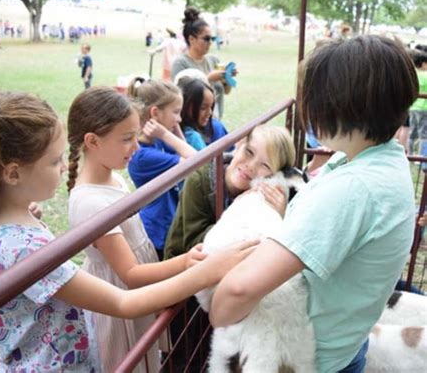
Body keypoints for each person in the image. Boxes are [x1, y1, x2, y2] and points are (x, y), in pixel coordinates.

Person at [0, 91, 257, 372]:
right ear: (13, 173)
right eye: (55, 161)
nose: (63, 167)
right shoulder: (23, 248)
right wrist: (208, 271)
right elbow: (123, 303)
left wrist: (27, 210)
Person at [209, 35, 418, 373]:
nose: (309, 109)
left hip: (311, 358)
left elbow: (238, 289)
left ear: (344, 105)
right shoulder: (381, 160)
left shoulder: (355, 188)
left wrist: (218, 312)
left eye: (316, 99)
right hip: (348, 341)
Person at [67, 86, 208, 372]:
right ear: (93, 141)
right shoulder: (90, 202)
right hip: (120, 307)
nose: (135, 147)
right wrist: (185, 262)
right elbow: (130, 274)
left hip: (137, 298)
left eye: (136, 136)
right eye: (127, 139)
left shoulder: (113, 179)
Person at [164, 124, 296, 370]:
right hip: (186, 282)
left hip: (225, 294)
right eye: (249, 152)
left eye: (265, 166)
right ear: (238, 145)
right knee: (185, 355)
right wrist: (237, 214)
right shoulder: (201, 180)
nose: (251, 166)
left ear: (274, 176)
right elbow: (191, 244)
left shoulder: (265, 200)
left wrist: (279, 214)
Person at [127, 78, 197, 259]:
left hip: (168, 223)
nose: (180, 119)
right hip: (158, 231)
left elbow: (190, 152)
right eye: (176, 112)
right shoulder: (143, 156)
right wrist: (166, 133)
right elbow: (197, 162)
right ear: (155, 113)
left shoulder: (157, 141)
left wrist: (173, 130)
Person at [171, 7, 236, 120]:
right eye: (206, 39)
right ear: (191, 39)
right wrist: (209, 78)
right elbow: (182, 96)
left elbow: (226, 91)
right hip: (193, 124)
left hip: (215, 121)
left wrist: (227, 77)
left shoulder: (214, 60)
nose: (210, 42)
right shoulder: (180, 63)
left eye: (212, 38)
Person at [175, 68, 232, 150]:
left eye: (211, 106)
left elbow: (230, 153)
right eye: (203, 108)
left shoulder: (216, 127)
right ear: (185, 104)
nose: (210, 113)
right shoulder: (174, 130)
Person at [407, 49, 427, 156]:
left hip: (413, 107)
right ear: (423, 64)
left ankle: (410, 154)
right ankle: (421, 157)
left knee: (412, 133)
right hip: (424, 108)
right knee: (423, 135)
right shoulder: (425, 75)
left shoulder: (413, 74)